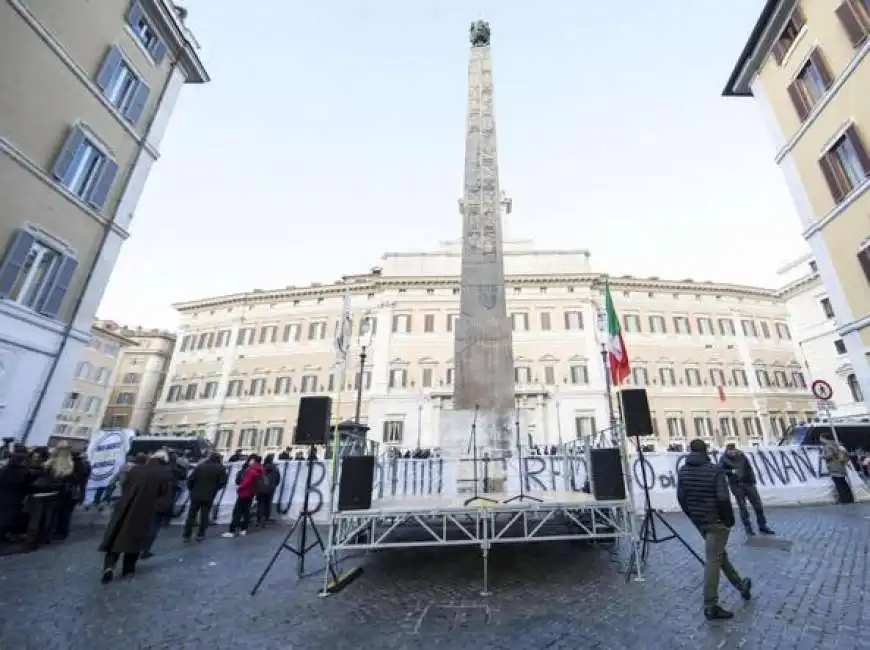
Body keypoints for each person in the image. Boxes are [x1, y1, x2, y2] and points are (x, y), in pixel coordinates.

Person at [677, 438, 752, 621]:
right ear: (706, 451)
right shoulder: (715, 470)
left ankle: (740, 585)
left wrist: (693, 516)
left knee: (718, 555)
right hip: (716, 521)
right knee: (713, 560)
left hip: (700, 521)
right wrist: (728, 521)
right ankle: (711, 605)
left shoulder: (683, 471)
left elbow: (681, 497)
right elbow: (723, 498)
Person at [98, 450, 173, 583]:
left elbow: (125, 485)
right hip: (145, 510)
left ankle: (109, 566)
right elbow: (165, 495)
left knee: (116, 537)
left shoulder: (137, 469)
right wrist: (158, 509)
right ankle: (128, 569)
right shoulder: (165, 473)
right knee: (135, 540)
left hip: (124, 507)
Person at [718, 443, 774, 536]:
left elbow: (749, 467)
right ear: (727, 451)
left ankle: (762, 525)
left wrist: (753, 480)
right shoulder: (723, 459)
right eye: (730, 451)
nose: (732, 452)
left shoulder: (741, 456)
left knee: (758, 505)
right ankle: (748, 528)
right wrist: (730, 472)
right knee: (743, 507)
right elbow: (720, 470)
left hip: (748, 483)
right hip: (736, 485)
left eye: (733, 450)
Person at [183, 453, 228, 542]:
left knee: (191, 515)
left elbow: (190, 479)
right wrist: (215, 488)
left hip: (196, 494)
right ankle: (201, 534)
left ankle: (187, 534)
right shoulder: (220, 468)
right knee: (204, 515)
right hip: (209, 495)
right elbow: (223, 482)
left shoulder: (200, 467)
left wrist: (192, 489)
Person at [223, 455, 264, 538]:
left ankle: (231, 530)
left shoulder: (251, 471)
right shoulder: (259, 470)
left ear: (253, 461)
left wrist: (240, 489)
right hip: (251, 493)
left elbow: (246, 482)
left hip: (244, 493)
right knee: (246, 512)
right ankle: (244, 529)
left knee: (237, 512)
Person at [821, 431, 853, 504]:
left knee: (839, 485)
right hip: (841, 466)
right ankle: (849, 498)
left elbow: (829, 455)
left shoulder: (827, 445)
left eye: (821, 438)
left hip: (834, 467)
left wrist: (823, 456)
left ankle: (844, 499)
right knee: (843, 483)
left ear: (823, 438)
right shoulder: (837, 443)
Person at [255, 454, 281, 527]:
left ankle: (259, 519)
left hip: (262, 488)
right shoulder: (275, 468)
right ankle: (266, 517)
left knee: (261, 504)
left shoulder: (262, 467)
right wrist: (274, 484)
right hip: (271, 488)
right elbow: (278, 478)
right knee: (268, 503)